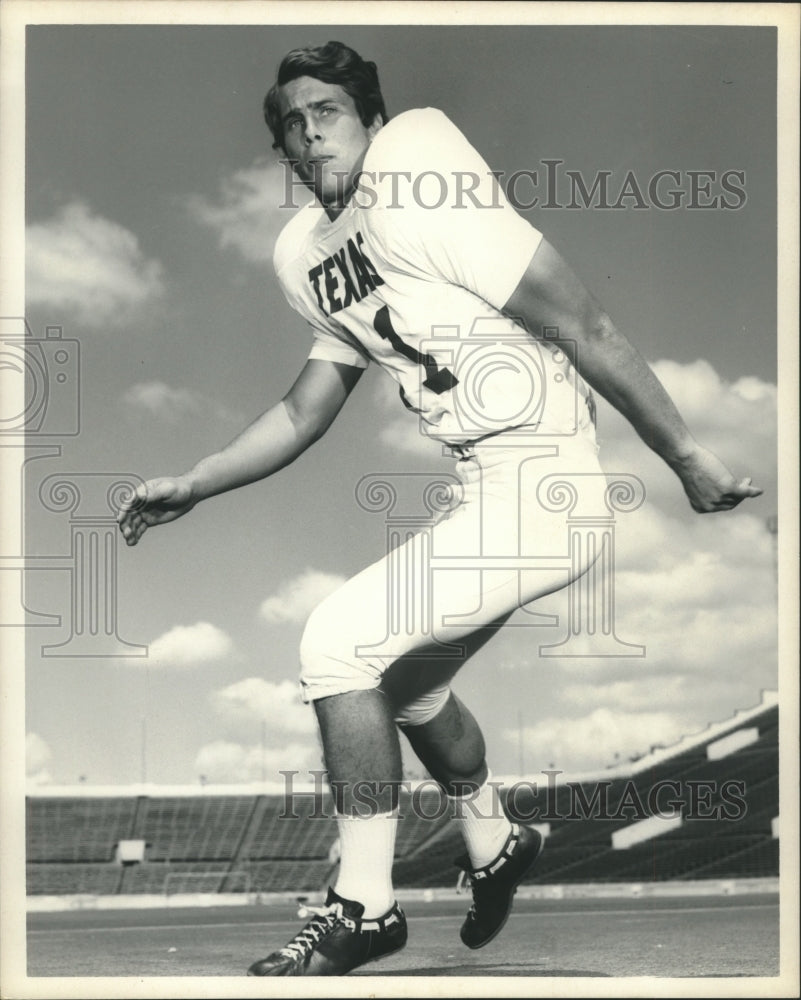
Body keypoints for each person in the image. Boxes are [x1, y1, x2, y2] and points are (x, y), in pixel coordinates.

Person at [117, 41, 762, 976]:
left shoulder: (420, 169)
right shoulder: (307, 250)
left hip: (547, 484)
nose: (307, 134)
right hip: (481, 488)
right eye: (290, 125)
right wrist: (196, 480)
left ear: (372, 119)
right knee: (411, 687)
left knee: (337, 643)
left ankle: (365, 904)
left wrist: (686, 456)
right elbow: (306, 407)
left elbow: (583, 323)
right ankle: (496, 841)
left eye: (326, 111)